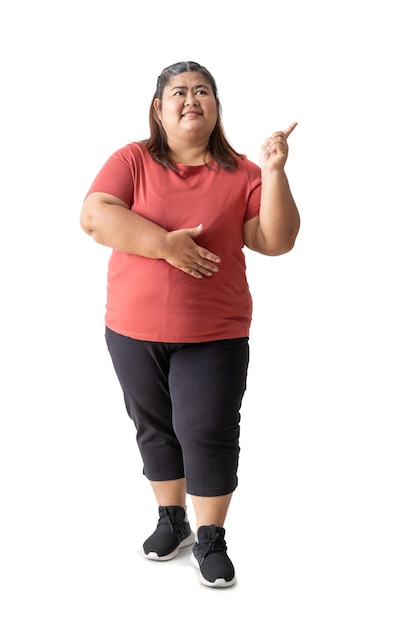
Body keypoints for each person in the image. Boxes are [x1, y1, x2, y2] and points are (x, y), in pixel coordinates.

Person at [80, 60, 300, 588]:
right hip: (132, 329)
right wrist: (165, 246)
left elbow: (276, 240)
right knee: (154, 428)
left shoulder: (243, 172)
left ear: (217, 107)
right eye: (177, 92)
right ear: (158, 108)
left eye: (203, 91)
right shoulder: (131, 160)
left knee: (206, 433)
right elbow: (94, 216)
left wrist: (274, 172)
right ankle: (171, 519)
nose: (190, 99)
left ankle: (210, 538)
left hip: (214, 333)